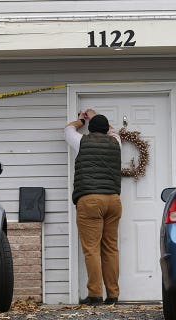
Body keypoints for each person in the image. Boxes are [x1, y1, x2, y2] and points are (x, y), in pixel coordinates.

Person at [64, 108, 123, 306]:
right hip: (113, 201)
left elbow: (67, 130)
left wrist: (81, 120)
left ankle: (95, 295)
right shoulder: (116, 142)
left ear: (90, 129)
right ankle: (113, 295)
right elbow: (113, 131)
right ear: (107, 129)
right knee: (111, 248)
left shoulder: (81, 141)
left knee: (92, 249)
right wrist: (96, 114)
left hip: (90, 200)